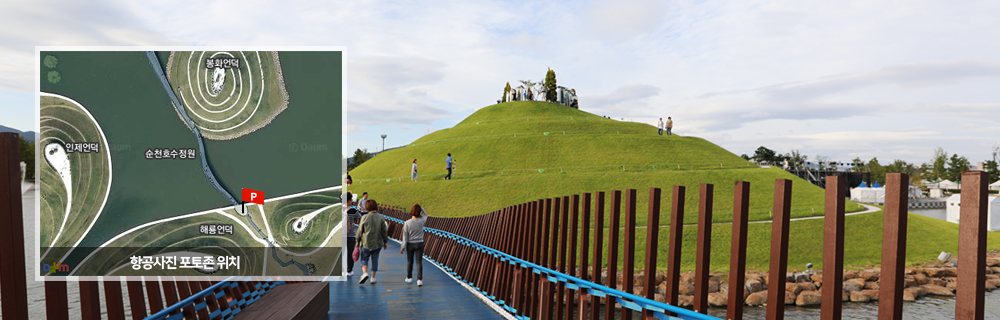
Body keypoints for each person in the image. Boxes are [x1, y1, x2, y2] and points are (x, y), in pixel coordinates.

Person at [357, 199, 388, 284]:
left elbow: (360, 231)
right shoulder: (381, 218)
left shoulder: (364, 217)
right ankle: (373, 277)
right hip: (377, 243)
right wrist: (385, 242)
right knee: (375, 259)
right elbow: (384, 231)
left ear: (366, 208)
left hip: (366, 242)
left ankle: (365, 273)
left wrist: (357, 241)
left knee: (364, 258)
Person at [400, 204, 428, 286]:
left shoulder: (407, 223)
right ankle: (419, 279)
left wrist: (402, 247)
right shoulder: (421, 221)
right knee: (419, 262)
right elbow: (425, 215)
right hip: (420, 243)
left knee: (410, 261)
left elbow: (405, 236)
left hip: (410, 244)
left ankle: (409, 277)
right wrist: (421, 209)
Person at [343, 192, 362, 276]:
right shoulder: (353, 210)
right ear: (349, 201)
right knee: (350, 253)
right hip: (350, 235)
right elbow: (361, 218)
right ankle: (349, 270)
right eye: (351, 200)